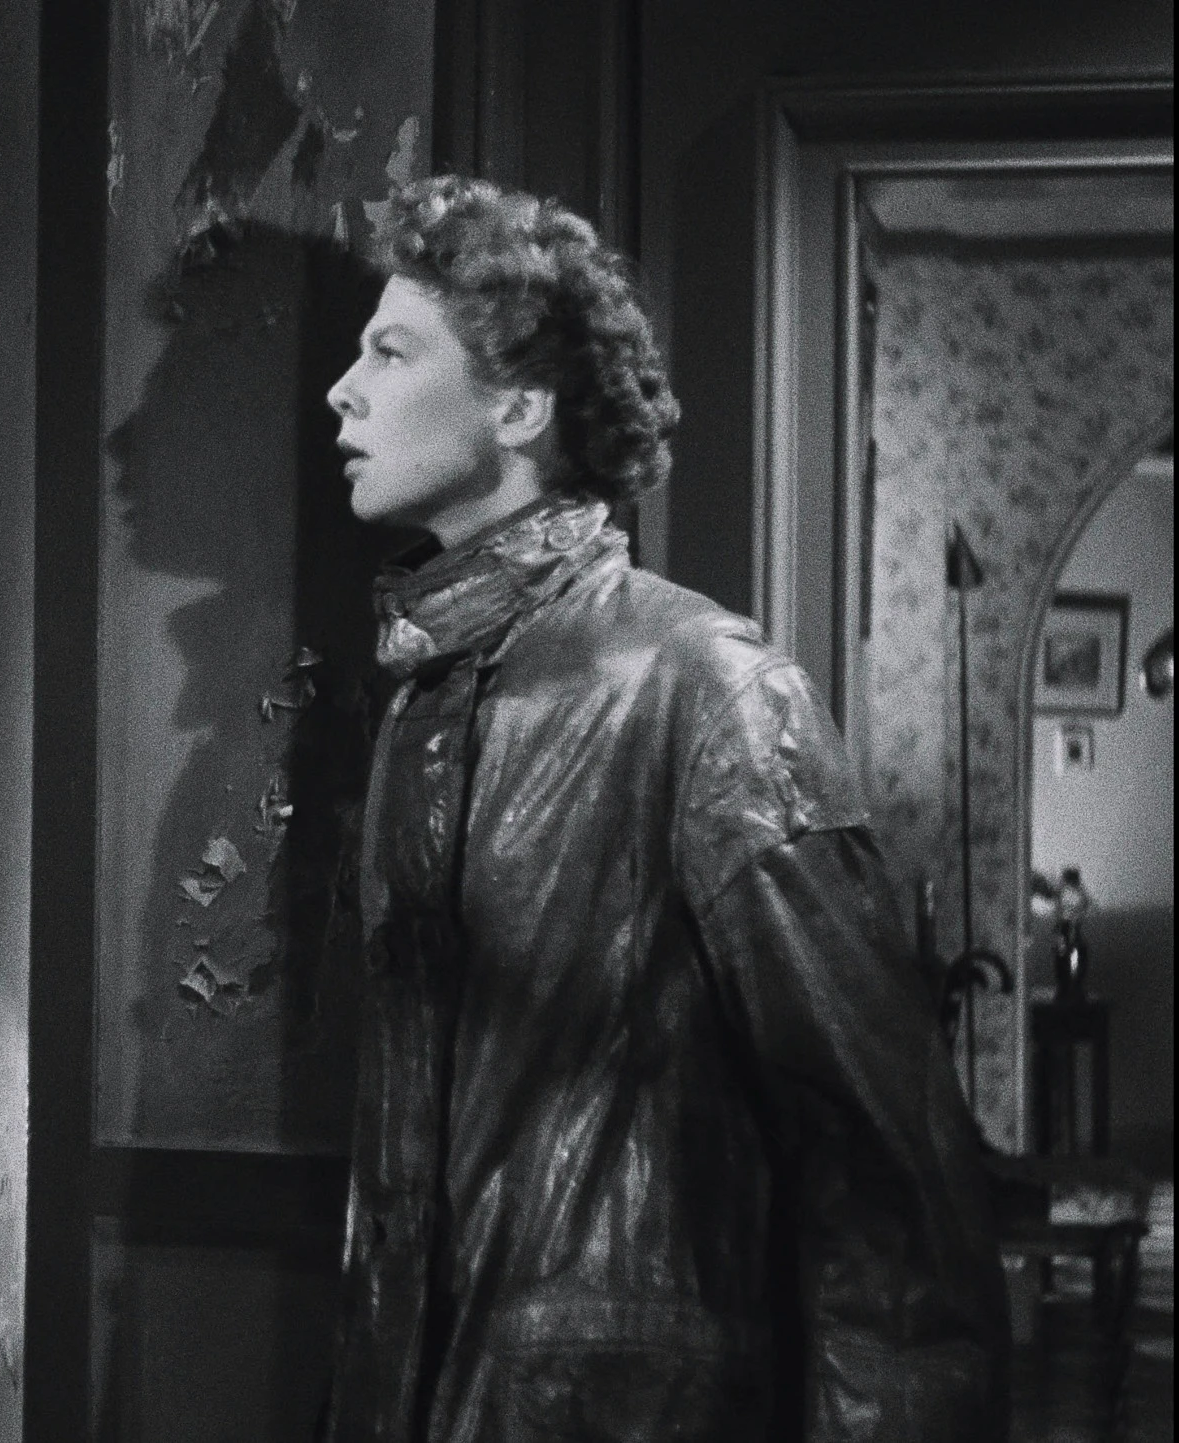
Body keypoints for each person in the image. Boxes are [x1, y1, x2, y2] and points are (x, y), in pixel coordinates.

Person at [321, 177, 1009, 1442]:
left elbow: (887, 1183)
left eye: (389, 351)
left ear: (518, 406)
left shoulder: (707, 686)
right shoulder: (423, 695)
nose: (341, 390)